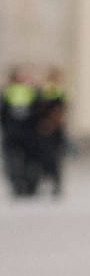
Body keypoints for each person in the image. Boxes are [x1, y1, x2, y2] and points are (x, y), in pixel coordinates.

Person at [3, 67, 42, 198]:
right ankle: (28, 185)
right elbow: (39, 111)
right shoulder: (31, 92)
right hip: (27, 133)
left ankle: (20, 184)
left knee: (16, 161)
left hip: (13, 132)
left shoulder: (7, 92)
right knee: (28, 160)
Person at [32, 68, 69, 199]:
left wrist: (50, 124)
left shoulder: (53, 91)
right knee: (51, 158)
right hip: (49, 130)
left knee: (52, 158)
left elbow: (59, 111)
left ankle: (54, 182)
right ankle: (52, 182)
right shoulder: (53, 90)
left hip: (52, 130)